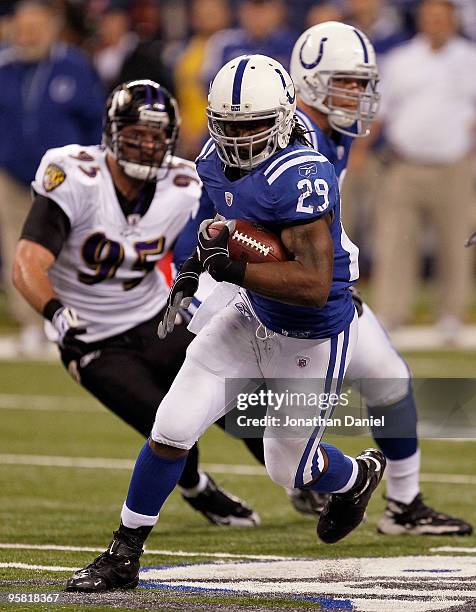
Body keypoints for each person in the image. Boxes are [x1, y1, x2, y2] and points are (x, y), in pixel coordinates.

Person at [65, 54, 387, 592]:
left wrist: (233, 266)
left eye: (255, 126)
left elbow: (310, 284)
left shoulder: (303, 173)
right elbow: (221, 224)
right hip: (248, 309)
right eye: (231, 126)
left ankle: (357, 476)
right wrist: (194, 272)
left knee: (291, 470)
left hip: (310, 330)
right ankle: (122, 553)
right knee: (172, 426)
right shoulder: (213, 155)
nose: (240, 139)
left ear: (283, 118)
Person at [12, 79, 259, 528]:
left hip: (155, 318)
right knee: (166, 427)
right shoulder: (74, 176)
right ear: (112, 132)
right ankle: (200, 490)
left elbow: (235, 227)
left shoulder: (185, 184)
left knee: (239, 404)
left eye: (156, 136)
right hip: (91, 334)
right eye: (137, 135)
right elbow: (27, 263)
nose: (147, 146)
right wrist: (55, 313)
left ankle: (304, 480)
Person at [288, 20, 472, 534]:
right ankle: (327, 478)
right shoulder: (287, 137)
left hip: (323, 288)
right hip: (273, 293)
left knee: (389, 379)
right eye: (345, 81)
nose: (357, 93)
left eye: (361, 83)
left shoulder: (333, 130)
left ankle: (404, 504)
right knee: (266, 425)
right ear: (308, 78)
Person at [0, 0, 104, 355]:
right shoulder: (4, 64)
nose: (27, 35)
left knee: (66, 250)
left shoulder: (74, 65)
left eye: (35, 27)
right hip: (12, 177)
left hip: (64, 181)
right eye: (23, 27)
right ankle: (31, 326)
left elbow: (96, 120)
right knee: (16, 249)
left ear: (51, 27)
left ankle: (65, 322)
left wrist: (93, 168)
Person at [372, 0, 476, 339]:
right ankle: (391, 312)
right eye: (430, 17)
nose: (435, 23)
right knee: (395, 242)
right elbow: (380, 112)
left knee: (455, 243)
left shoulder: (470, 58)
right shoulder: (401, 60)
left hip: (454, 166)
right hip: (405, 165)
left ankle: (451, 315)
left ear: (452, 21)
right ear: (421, 21)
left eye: (441, 18)